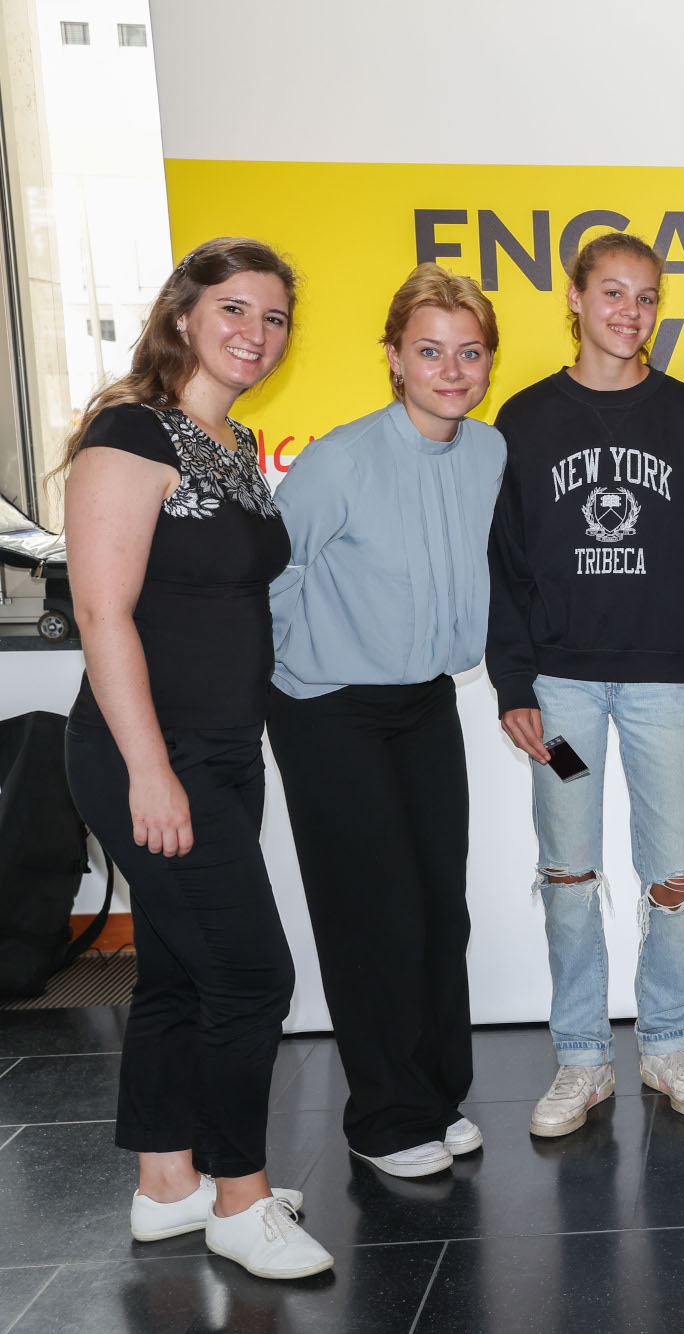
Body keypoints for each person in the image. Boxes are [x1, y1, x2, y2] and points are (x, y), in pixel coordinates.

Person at [60, 237, 331, 1279]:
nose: (255, 333)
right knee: (254, 972)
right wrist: (148, 767)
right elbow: (101, 609)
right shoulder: (130, 432)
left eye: (274, 318)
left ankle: (167, 1186)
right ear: (184, 314)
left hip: (223, 747)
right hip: (149, 748)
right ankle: (240, 1197)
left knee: (179, 967)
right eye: (234, 309)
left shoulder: (228, 440)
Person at [264, 264, 506, 1177]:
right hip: (329, 707)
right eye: (430, 350)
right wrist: (298, 670)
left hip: (423, 701)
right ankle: (383, 1120)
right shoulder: (341, 458)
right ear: (395, 359)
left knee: (440, 910)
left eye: (470, 352)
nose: (452, 369)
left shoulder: (486, 453)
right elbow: (272, 575)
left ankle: (434, 1097)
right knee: (374, 915)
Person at [487, 232, 684, 1136]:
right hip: (562, 694)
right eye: (614, 293)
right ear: (577, 301)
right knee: (569, 871)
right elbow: (504, 563)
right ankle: (582, 1059)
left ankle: (667, 1042)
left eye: (647, 298)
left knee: (673, 871)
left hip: (664, 686)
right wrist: (515, 683)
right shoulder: (526, 417)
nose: (631, 313)